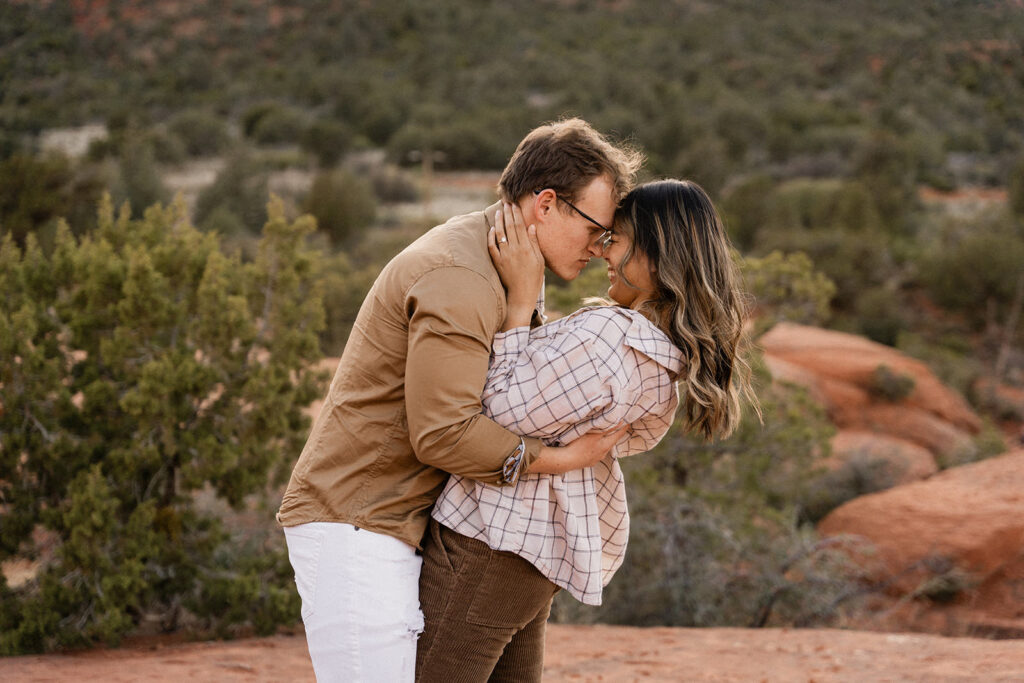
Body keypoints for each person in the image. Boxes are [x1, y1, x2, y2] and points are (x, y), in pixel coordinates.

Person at [276, 118, 643, 682]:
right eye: (597, 229)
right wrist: (564, 458)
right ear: (546, 205)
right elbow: (444, 432)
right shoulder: (462, 276)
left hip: (399, 521)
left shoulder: (508, 267)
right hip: (358, 526)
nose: (601, 248)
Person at [416, 179, 756, 682]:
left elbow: (492, 414)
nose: (603, 253)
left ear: (657, 258)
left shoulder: (609, 337)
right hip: (533, 550)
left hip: (489, 542)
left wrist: (518, 304)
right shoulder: (661, 360)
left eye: (615, 240)